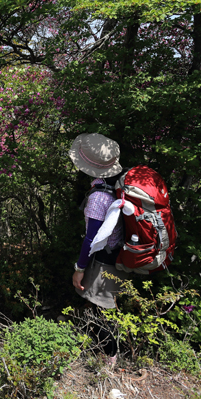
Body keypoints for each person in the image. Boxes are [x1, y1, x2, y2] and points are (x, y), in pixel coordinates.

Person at [68, 133, 131, 364]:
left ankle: (109, 361)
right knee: (108, 307)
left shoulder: (98, 198)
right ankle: (108, 352)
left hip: (106, 262)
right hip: (119, 256)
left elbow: (90, 239)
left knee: (104, 310)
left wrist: (79, 268)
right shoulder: (117, 184)